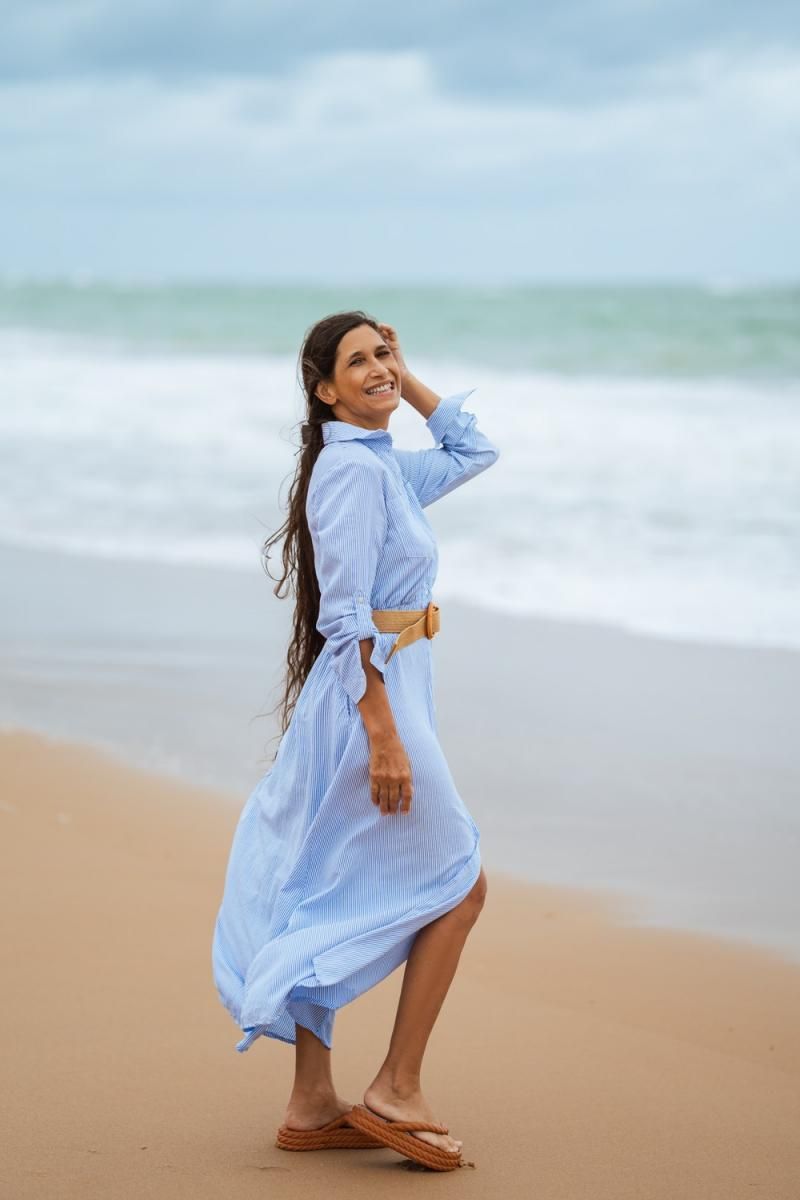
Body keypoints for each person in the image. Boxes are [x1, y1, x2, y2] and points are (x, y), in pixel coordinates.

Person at [211, 310, 500, 1170]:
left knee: (327, 884)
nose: (378, 367)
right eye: (358, 361)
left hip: (388, 692)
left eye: (385, 353)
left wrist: (403, 381)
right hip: (370, 705)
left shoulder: (380, 465)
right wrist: (382, 735)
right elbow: (342, 619)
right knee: (459, 882)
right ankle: (396, 1087)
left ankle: (311, 1102)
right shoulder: (348, 473)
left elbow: (472, 453)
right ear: (321, 388)